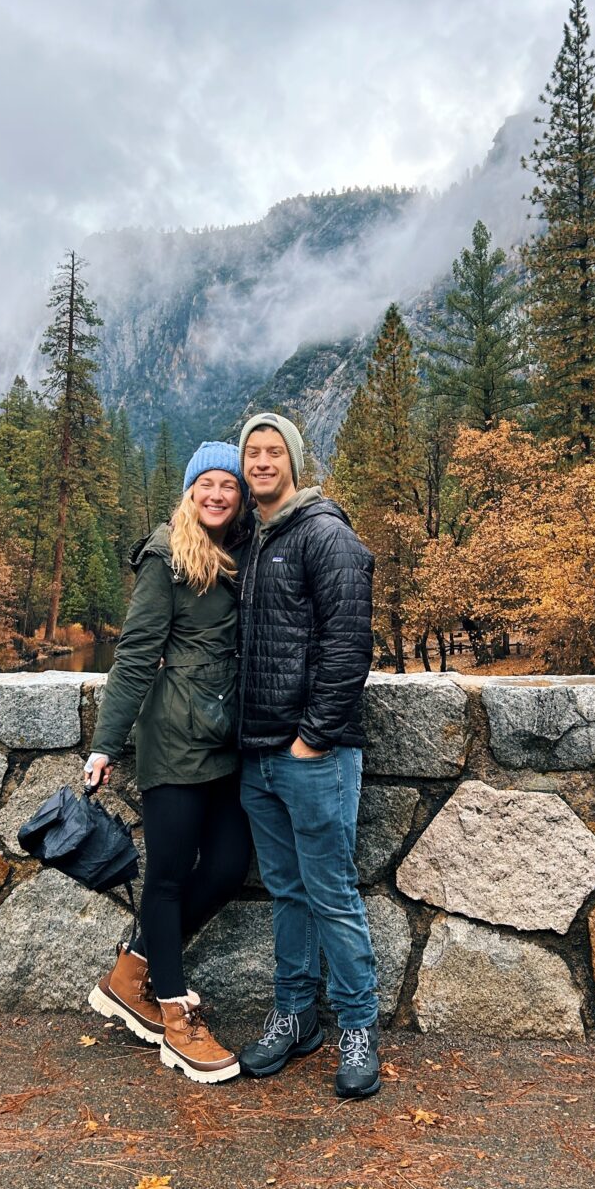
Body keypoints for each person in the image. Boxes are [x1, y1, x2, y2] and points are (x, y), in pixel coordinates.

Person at [84, 441, 253, 1084]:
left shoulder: (242, 553)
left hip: (225, 740)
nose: (216, 494)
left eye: (228, 485)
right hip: (175, 739)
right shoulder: (166, 557)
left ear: (239, 496)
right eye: (205, 484)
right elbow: (132, 658)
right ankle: (176, 1019)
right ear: (189, 491)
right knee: (171, 875)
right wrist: (105, 743)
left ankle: (133, 971)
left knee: (231, 865)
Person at [233, 412, 380, 1100]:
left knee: (330, 893)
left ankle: (357, 1026)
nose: (262, 461)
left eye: (273, 451)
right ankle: (294, 1017)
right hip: (257, 756)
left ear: (292, 460)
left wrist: (311, 738)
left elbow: (348, 648)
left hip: (310, 755)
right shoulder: (255, 539)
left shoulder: (325, 535)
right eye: (252, 452)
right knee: (287, 893)